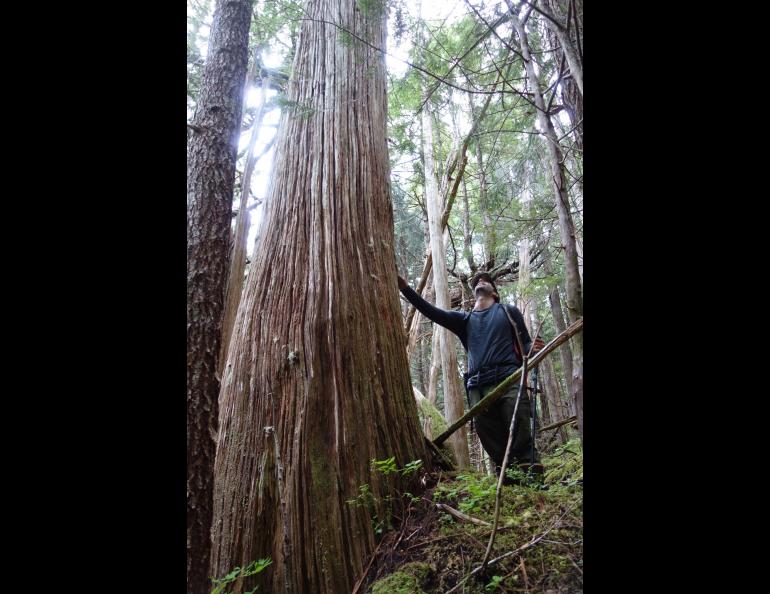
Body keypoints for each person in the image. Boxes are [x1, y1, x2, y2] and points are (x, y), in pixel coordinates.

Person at [398, 272, 545, 479]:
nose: (480, 282)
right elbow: (430, 311)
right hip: (477, 386)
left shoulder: (508, 311)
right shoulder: (464, 320)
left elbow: (526, 344)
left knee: (518, 422)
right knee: (489, 436)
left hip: (509, 377)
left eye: (485, 281)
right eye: (477, 282)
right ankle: (508, 477)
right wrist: (404, 287)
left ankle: (532, 475)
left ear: (495, 292)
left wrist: (535, 347)